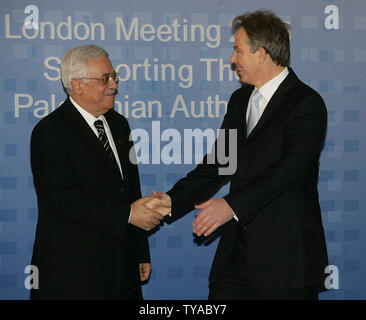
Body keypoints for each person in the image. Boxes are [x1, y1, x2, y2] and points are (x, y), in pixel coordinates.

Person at [151, 10, 329, 300]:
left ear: (261, 53)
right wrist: (172, 201)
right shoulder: (239, 100)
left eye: (237, 50)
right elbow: (219, 164)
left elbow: (288, 170)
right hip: (236, 255)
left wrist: (229, 205)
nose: (232, 60)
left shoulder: (306, 103)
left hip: (285, 261)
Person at [30, 45, 163, 300]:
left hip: (122, 267)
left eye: (114, 76)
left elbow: (131, 191)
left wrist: (140, 252)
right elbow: (64, 200)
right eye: (105, 78)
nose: (114, 84)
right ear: (77, 85)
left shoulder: (119, 124)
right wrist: (128, 214)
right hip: (74, 272)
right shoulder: (50, 132)